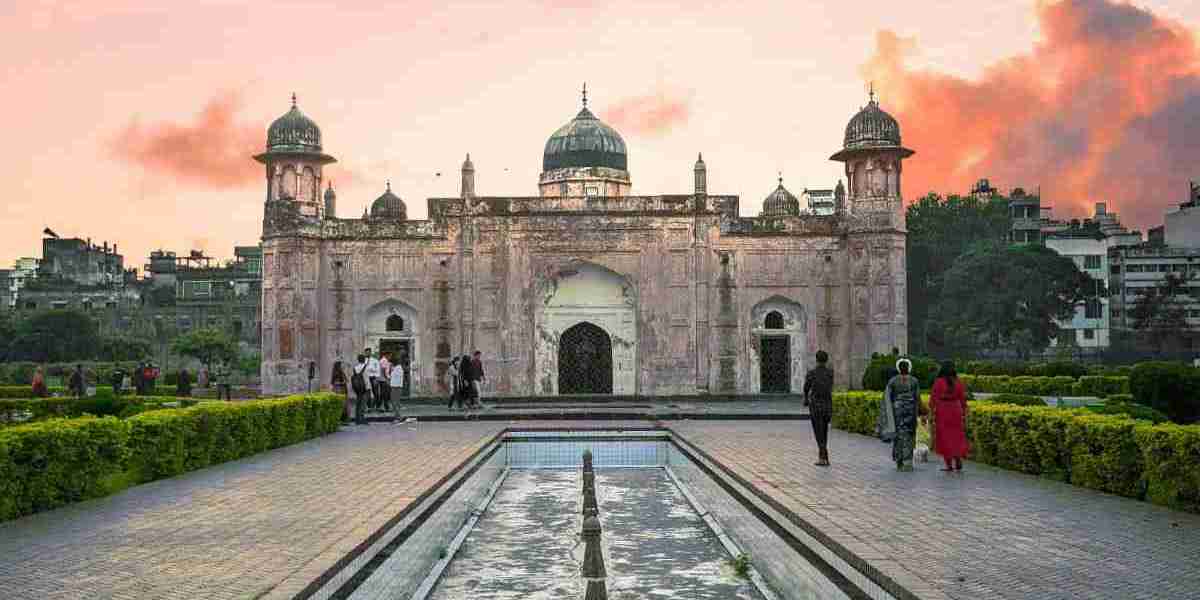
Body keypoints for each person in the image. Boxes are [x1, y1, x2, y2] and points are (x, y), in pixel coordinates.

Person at [882, 358, 922, 471]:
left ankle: (899, 460)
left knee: (898, 435)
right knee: (909, 435)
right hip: (910, 410)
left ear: (898, 368)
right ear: (909, 368)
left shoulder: (893, 381)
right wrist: (921, 411)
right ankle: (907, 461)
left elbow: (887, 397)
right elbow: (917, 397)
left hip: (897, 411)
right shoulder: (914, 381)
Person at [930, 360, 969, 472]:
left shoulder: (938, 382)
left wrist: (931, 411)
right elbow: (962, 399)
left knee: (944, 437)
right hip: (955, 409)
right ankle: (958, 458)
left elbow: (933, 398)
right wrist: (964, 412)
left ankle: (949, 465)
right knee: (956, 436)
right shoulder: (958, 381)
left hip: (943, 410)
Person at [803, 350, 835, 466]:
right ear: (826, 360)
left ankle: (823, 456)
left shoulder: (812, 373)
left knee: (818, 432)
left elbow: (806, 387)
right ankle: (824, 456)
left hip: (816, 405)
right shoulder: (830, 373)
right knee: (824, 431)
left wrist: (806, 399)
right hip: (827, 405)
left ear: (816, 359)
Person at [876, 347, 901, 441]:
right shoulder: (900, 360)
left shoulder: (889, 360)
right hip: (898, 393)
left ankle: (887, 434)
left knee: (888, 413)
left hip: (891, 389)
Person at [351, 354, 371, 425]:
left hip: (358, 388)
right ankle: (362, 419)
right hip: (365, 387)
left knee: (358, 403)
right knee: (363, 403)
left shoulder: (355, 368)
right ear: (364, 359)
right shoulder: (366, 367)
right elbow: (368, 377)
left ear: (358, 360)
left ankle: (357, 419)